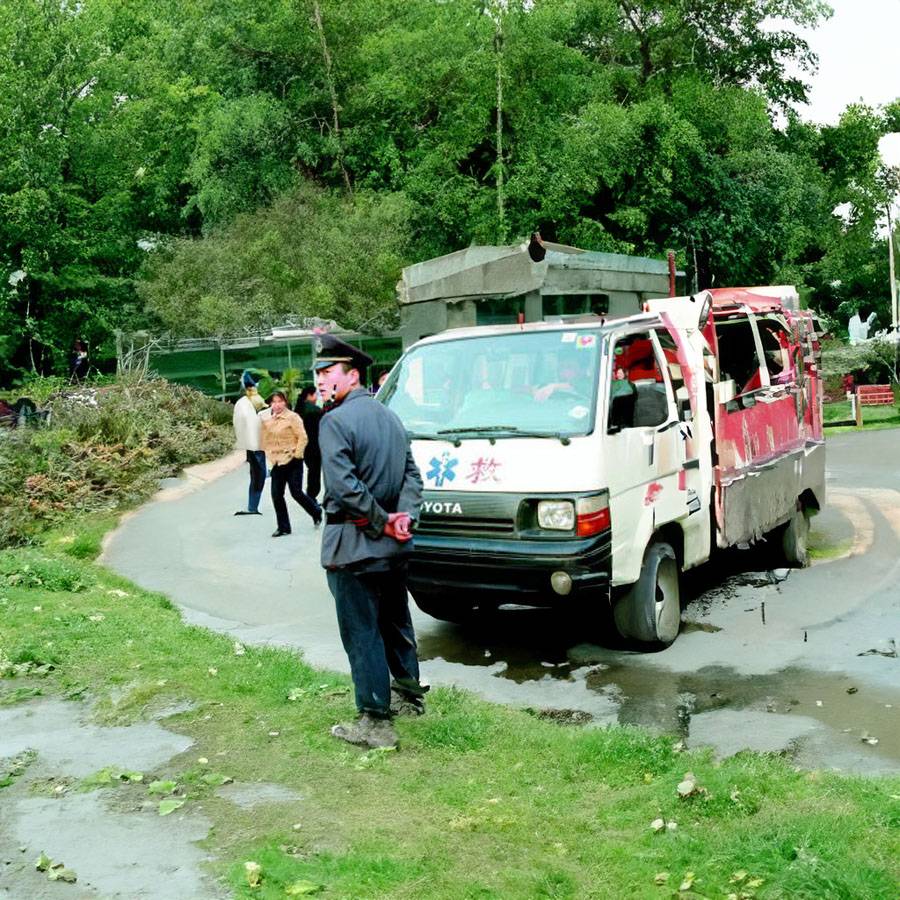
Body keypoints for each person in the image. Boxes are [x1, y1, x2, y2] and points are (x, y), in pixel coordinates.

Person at [315, 334, 426, 750]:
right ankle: (410, 697)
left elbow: (344, 488)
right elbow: (413, 477)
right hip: (392, 546)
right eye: (319, 373)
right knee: (395, 620)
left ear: (352, 374)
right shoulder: (390, 417)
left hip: (354, 545)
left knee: (362, 632)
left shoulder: (335, 421)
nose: (322, 380)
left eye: (328, 372)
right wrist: (403, 520)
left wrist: (383, 522)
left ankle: (376, 722)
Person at [260, 390, 322, 537]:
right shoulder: (267, 421)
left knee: (296, 492)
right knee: (276, 495)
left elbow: (303, 437)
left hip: (293, 460)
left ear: (285, 402)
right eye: (274, 402)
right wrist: (269, 455)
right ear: (270, 404)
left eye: (280, 401)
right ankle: (283, 527)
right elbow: (264, 439)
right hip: (277, 461)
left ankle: (315, 511)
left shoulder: (293, 417)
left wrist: (297, 455)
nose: (277, 405)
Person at [232, 371, 268, 516]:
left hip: (253, 443)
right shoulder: (252, 400)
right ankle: (252, 506)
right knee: (259, 474)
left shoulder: (246, 401)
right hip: (255, 443)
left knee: (257, 474)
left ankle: (252, 506)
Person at [294, 385, 323, 501]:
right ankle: (312, 494)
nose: (317, 397)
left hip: (303, 446)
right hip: (314, 445)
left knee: (310, 470)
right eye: (315, 394)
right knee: (315, 472)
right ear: (310, 395)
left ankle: (310, 494)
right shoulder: (315, 410)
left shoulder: (298, 409)